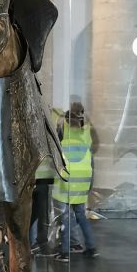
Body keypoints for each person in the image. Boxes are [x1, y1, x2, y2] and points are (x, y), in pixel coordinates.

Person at [53, 101, 98, 262]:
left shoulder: (63, 143)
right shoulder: (86, 136)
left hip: (67, 183)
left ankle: (65, 252)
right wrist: (89, 186)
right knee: (81, 215)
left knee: (65, 217)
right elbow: (92, 163)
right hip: (83, 181)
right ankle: (91, 247)